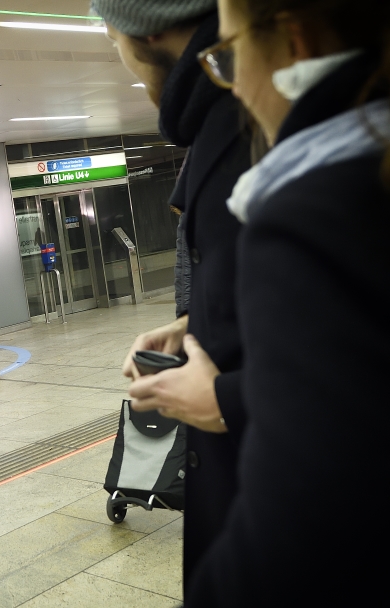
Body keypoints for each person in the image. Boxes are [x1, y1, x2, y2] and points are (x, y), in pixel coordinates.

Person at [179, 0, 388, 603]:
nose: (234, 86)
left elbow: (297, 540)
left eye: (228, 56)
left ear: (294, 42)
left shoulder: (314, 219)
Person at [92, 0, 252, 587]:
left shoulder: (250, 126)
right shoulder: (214, 129)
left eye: (112, 38)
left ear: (146, 27)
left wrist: (228, 401)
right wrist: (194, 324)